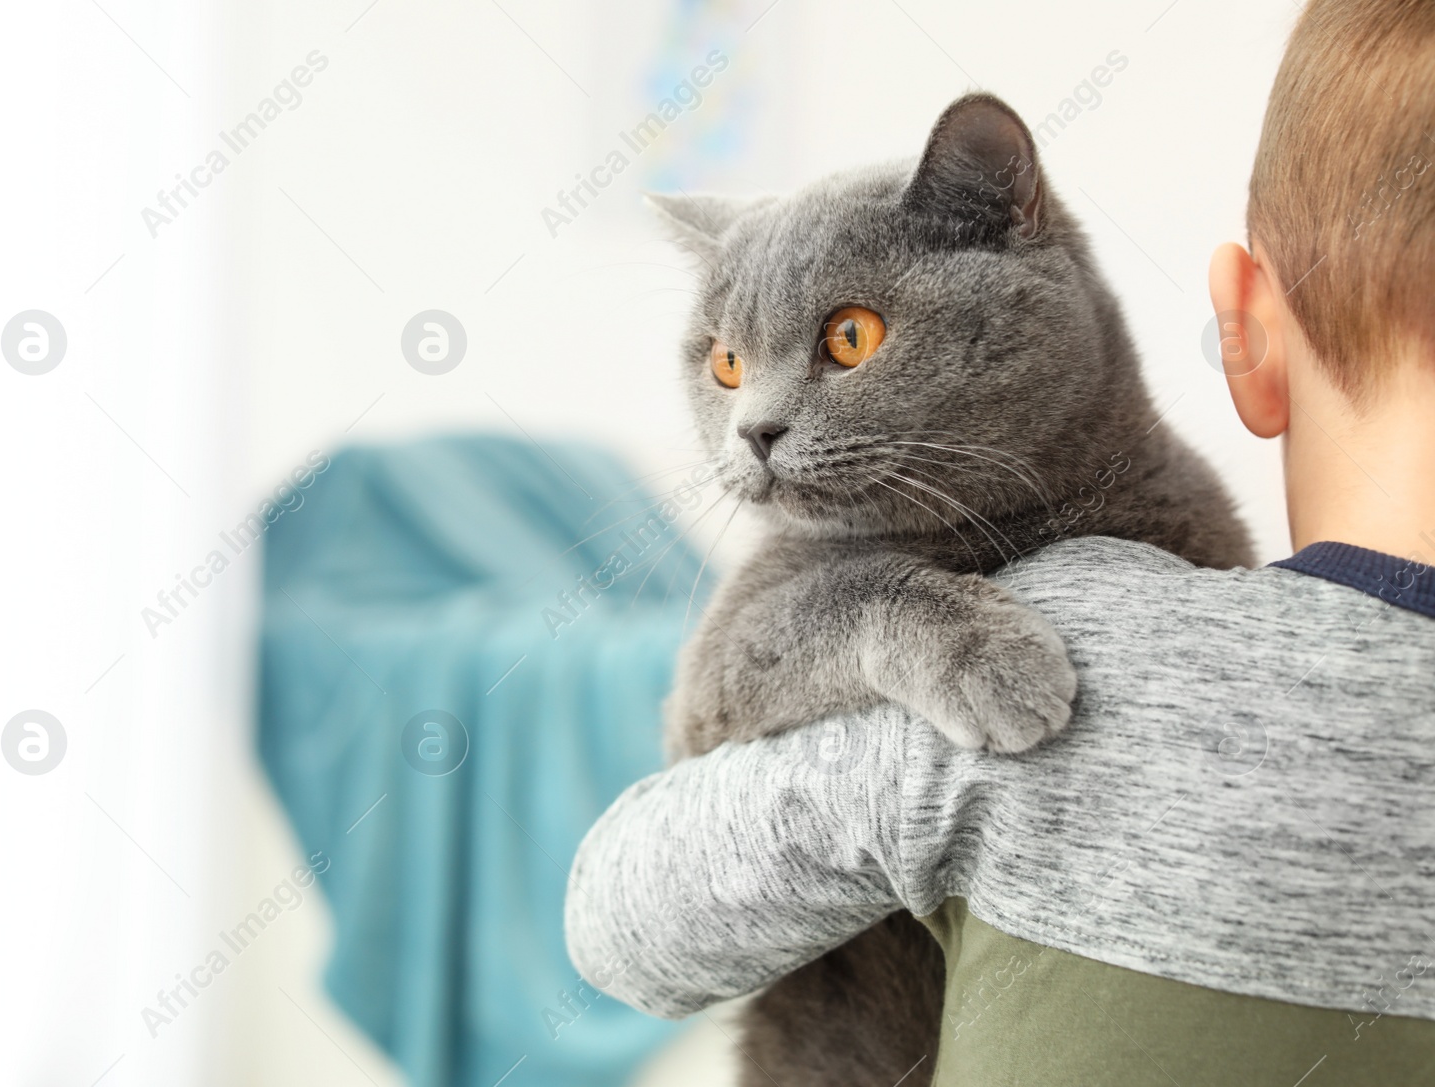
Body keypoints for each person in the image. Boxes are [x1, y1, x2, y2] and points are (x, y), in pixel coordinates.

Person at [562, 1, 1435, 1082]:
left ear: (1244, 328)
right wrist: (884, 622)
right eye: (730, 367)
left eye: (847, 338)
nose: (758, 421)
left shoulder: (1074, 661)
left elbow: (617, 924)